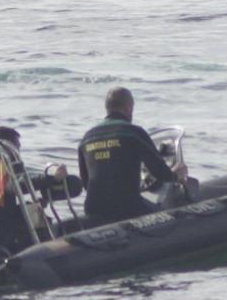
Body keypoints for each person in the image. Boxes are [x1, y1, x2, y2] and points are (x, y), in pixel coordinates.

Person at [0, 126, 77, 253]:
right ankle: (48, 254)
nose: (18, 151)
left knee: (31, 207)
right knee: (36, 216)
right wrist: (52, 178)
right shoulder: (0, 159)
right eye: (17, 147)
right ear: (9, 145)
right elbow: (16, 186)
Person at [78, 87, 187, 223]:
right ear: (129, 107)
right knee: (169, 217)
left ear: (107, 108)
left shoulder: (87, 138)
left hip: (93, 208)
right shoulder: (133, 132)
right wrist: (176, 175)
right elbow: (160, 172)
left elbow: (85, 182)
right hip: (127, 208)